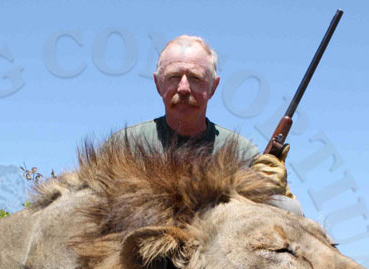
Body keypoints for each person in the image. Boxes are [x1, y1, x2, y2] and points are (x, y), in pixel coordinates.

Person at [110, 35, 301, 214]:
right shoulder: (123, 146)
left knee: (289, 207)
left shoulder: (242, 153)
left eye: (195, 78)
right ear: (158, 84)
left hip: (218, 246)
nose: (183, 88)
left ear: (213, 87)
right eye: (174, 77)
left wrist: (270, 190)